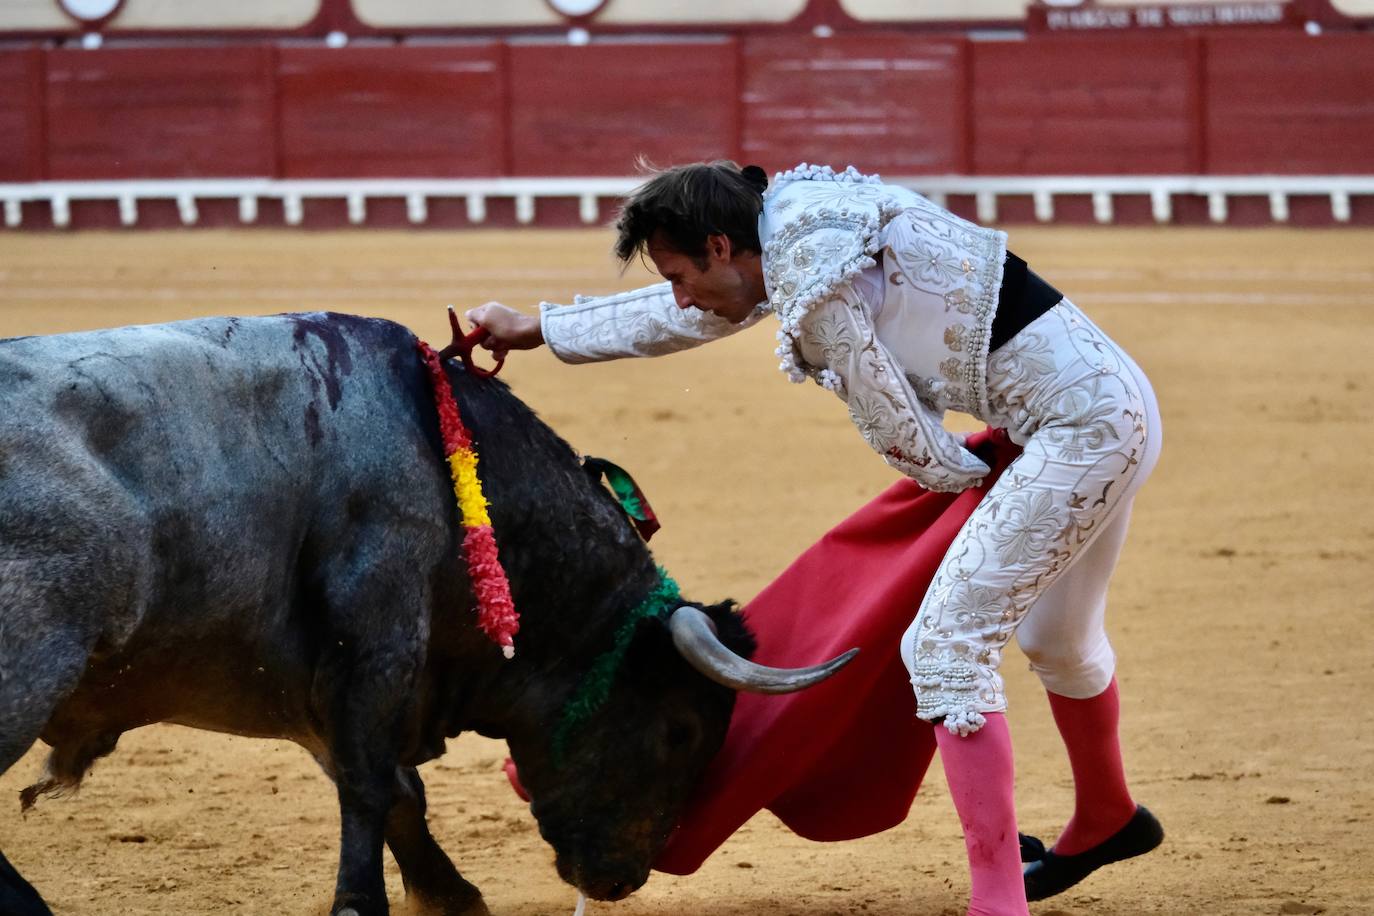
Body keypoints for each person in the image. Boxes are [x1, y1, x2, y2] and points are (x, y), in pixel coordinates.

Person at [467, 161, 1164, 916]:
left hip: (1079, 434)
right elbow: (698, 309)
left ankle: (997, 904)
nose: (679, 292)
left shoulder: (809, 270)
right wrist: (539, 326)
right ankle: (1107, 818)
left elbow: (899, 425)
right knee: (1059, 642)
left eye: (679, 272)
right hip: (1105, 407)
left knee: (946, 647)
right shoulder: (790, 227)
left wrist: (964, 478)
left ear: (721, 246)